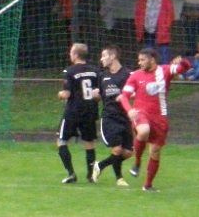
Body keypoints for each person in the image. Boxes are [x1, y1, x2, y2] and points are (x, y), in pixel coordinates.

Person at [119, 48, 191, 192]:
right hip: (140, 112)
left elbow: (185, 67)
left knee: (155, 151)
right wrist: (130, 110)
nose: (139, 63)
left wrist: (182, 61)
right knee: (143, 130)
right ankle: (137, 162)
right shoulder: (135, 75)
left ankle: (147, 185)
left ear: (152, 60)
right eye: (139, 60)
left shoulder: (165, 70)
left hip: (160, 116)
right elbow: (124, 96)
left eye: (142, 60)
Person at [56, 43, 100, 184]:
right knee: (89, 143)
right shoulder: (95, 71)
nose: (70, 55)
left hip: (73, 111)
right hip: (90, 110)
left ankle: (71, 173)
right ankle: (90, 176)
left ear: (75, 55)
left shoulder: (70, 71)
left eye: (71, 53)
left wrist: (60, 94)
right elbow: (98, 93)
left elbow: (67, 94)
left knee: (61, 140)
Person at [90, 46, 132, 186]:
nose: (101, 59)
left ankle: (100, 165)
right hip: (109, 117)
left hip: (125, 116)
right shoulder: (102, 76)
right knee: (117, 149)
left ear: (112, 56)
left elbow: (136, 91)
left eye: (104, 56)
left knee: (127, 152)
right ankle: (119, 179)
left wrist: (129, 96)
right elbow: (100, 95)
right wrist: (96, 95)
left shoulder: (127, 74)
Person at [134, 0, 174, 64]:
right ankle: (148, 68)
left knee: (163, 51)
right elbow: (138, 12)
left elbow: (170, 14)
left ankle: (164, 69)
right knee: (148, 51)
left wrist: (166, 26)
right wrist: (139, 25)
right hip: (147, 28)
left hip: (161, 28)